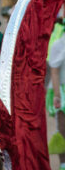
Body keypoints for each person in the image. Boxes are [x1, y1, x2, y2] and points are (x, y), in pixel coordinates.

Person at [47, 32, 65, 169]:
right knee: (63, 130)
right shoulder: (60, 44)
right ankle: (63, 164)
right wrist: (58, 95)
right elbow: (54, 70)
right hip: (61, 90)